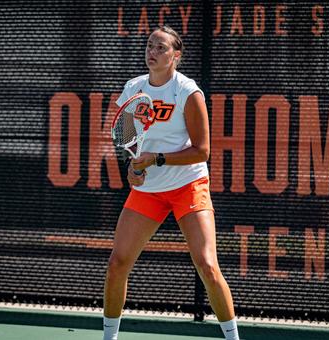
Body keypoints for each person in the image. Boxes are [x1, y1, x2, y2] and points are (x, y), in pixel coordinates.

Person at [103, 25, 240, 340]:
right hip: (148, 191)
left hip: (188, 186)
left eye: (160, 47)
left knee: (207, 265)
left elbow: (202, 150)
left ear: (176, 56)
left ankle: (232, 337)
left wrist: (156, 159)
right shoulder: (133, 89)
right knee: (117, 263)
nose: (152, 51)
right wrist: (132, 168)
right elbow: (129, 140)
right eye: (150, 45)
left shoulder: (187, 92)